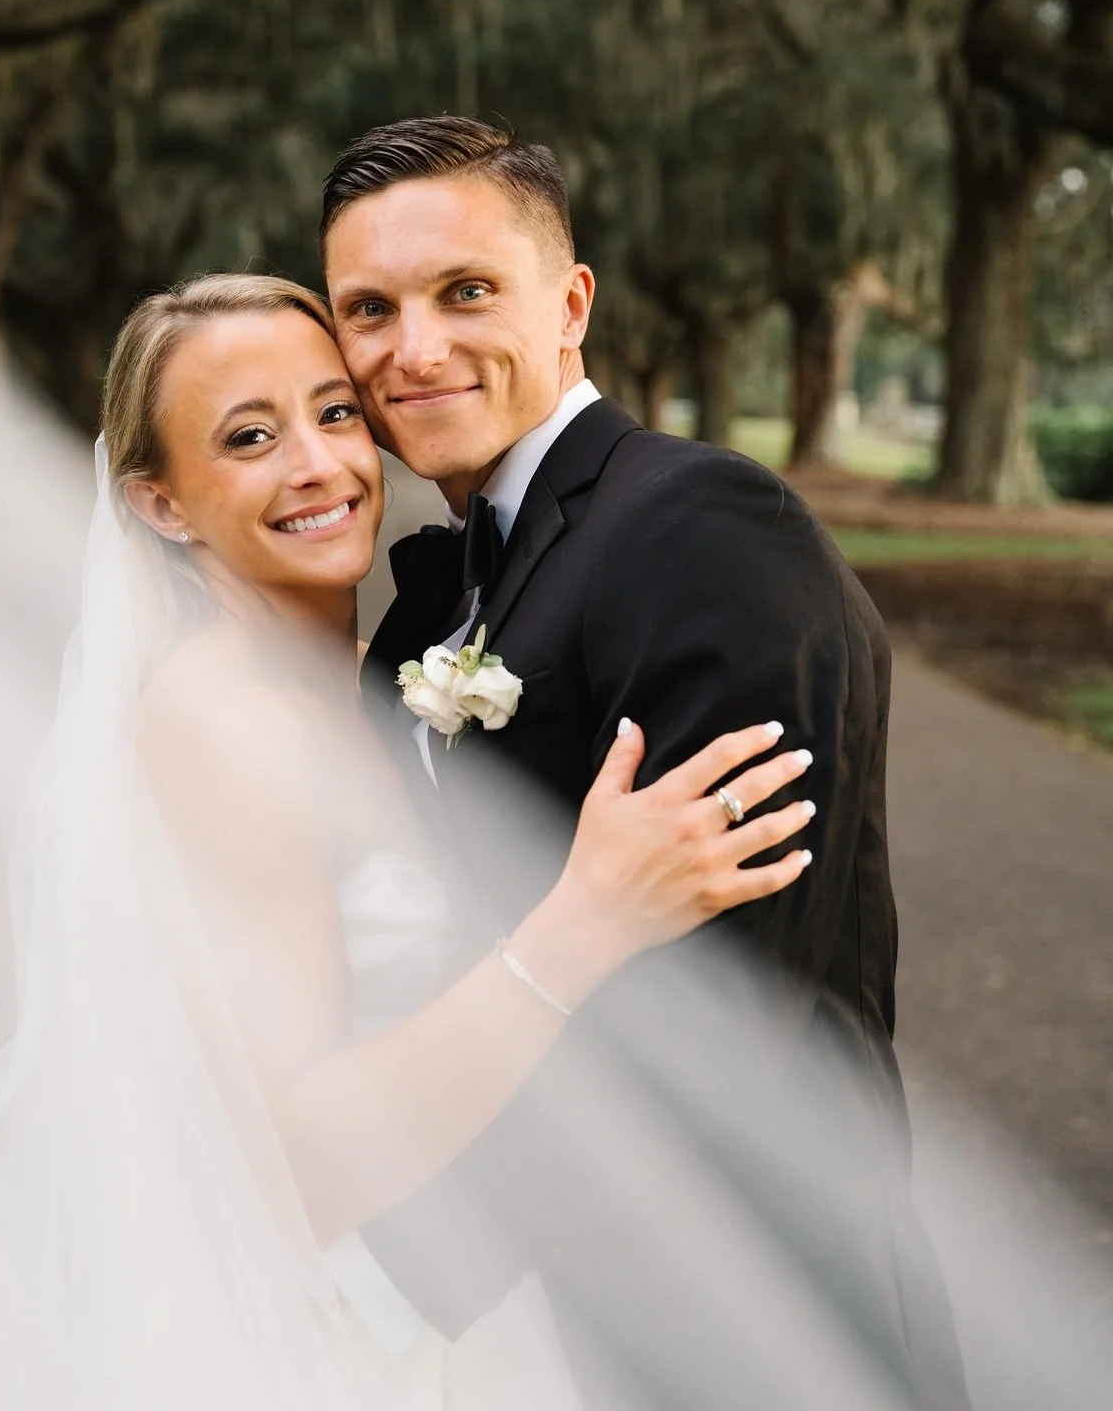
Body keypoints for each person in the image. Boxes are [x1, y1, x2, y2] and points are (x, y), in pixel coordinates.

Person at [0, 270, 816, 1411]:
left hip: (459, 1266)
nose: (318, 464)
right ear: (161, 503)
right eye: (249, 436)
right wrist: (584, 920)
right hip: (348, 1333)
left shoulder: (355, 680)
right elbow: (298, 1166)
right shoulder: (229, 720)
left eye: (334, 412)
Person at [322, 116, 970, 1411]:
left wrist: (400, 1262)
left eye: (464, 291)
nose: (416, 345)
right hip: (559, 1314)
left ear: (569, 305)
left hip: (758, 1310)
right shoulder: (435, 593)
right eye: (369, 308)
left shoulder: (699, 525)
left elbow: (726, 997)